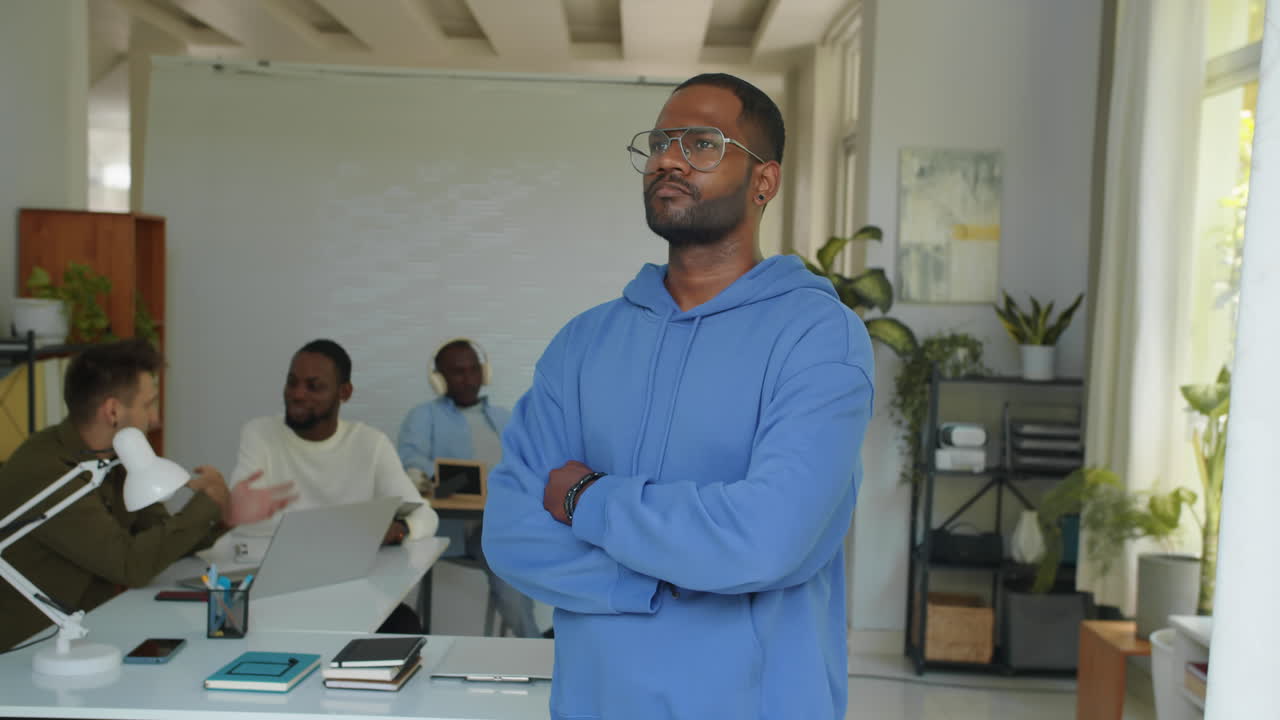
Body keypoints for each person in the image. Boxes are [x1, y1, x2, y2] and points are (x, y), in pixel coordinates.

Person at [482, 74, 874, 719]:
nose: (668, 158)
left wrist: (587, 498)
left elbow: (767, 538)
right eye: (661, 142)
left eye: (701, 143)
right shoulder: (583, 344)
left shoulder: (819, 337)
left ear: (764, 182)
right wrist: (669, 574)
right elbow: (512, 531)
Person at [0, 339, 295, 650]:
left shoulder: (113, 456)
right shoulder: (49, 471)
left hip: (91, 632)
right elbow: (130, 564)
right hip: (29, 650)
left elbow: (158, 541)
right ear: (113, 411)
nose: (154, 418)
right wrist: (205, 503)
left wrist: (223, 516)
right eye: (148, 404)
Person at [230, 339, 438, 632]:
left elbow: (426, 516)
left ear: (345, 393)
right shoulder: (260, 434)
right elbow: (244, 518)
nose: (298, 395)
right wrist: (351, 532)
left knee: (404, 627)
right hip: (274, 588)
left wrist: (400, 529)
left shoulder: (370, 443)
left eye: (314, 386)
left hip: (348, 589)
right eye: (292, 383)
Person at [397, 339, 540, 638]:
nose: (468, 379)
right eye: (457, 372)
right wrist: (446, 479)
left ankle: (554, 644)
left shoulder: (503, 418)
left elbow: (528, 465)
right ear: (438, 379)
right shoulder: (424, 416)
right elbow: (412, 462)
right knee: (506, 554)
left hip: (507, 522)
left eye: (474, 370)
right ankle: (537, 645)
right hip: (458, 527)